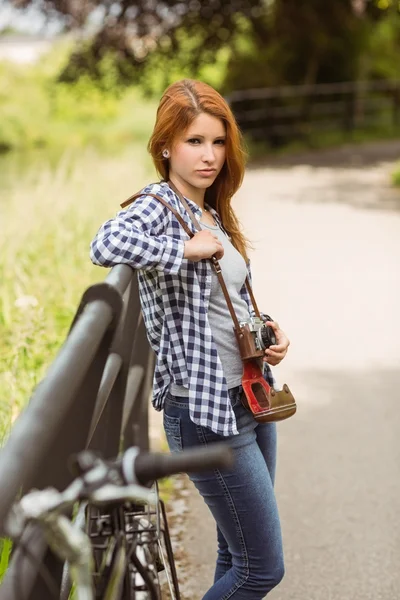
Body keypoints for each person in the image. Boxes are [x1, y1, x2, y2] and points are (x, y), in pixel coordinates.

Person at [90, 78, 290, 599]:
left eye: (218, 142)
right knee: (261, 570)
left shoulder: (212, 209)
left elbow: (229, 297)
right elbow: (104, 242)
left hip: (249, 391)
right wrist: (185, 252)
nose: (210, 156)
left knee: (236, 553)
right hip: (204, 411)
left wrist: (266, 329)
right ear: (165, 145)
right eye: (194, 142)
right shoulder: (159, 204)